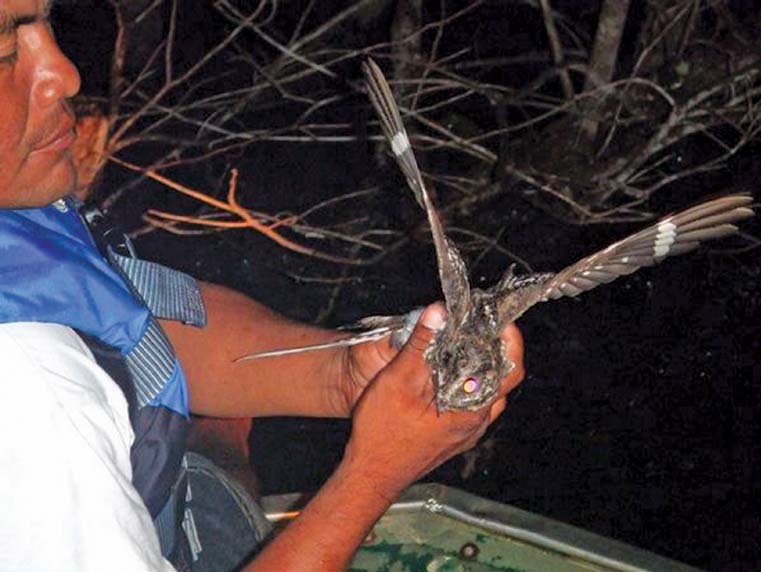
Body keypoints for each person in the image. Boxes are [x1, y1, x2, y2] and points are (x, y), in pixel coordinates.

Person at [0, 1, 525, 570]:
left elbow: (125, 325)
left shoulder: (18, 212)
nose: (65, 73)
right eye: (4, 48)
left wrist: (344, 374)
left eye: (48, 20)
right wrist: (373, 474)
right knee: (226, 477)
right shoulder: (32, 395)